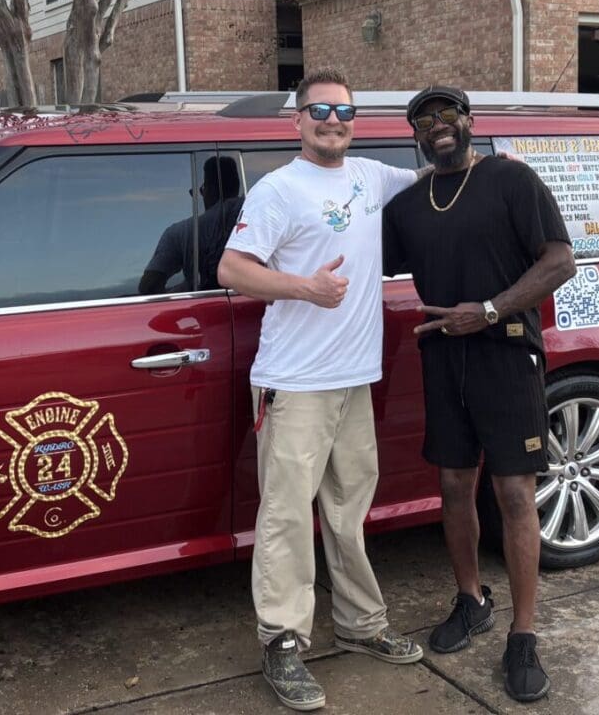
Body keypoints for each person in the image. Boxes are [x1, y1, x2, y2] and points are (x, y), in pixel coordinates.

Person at [217, 69, 425, 711]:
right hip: (296, 383)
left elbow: (444, 178)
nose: (333, 120)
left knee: (348, 510)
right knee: (285, 515)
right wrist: (307, 287)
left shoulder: (370, 177)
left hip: (353, 381)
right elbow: (231, 268)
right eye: (319, 111)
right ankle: (283, 641)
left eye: (344, 111)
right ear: (297, 119)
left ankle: (363, 626)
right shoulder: (279, 190)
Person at [382, 85, 576, 704]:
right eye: (424, 121)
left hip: (506, 352)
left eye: (448, 115)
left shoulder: (510, 181)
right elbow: (359, 258)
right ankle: (471, 601)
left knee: (515, 493)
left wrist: (489, 310)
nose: (438, 126)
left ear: (468, 122)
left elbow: (561, 261)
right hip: (443, 358)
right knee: (453, 486)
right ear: (415, 135)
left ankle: (524, 634)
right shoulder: (408, 206)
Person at [139, 156, 243, 294]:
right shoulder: (255, 213)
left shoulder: (180, 232)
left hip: (201, 309)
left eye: (201, 190)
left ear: (209, 189)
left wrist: (187, 288)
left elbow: (149, 287)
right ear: (237, 186)